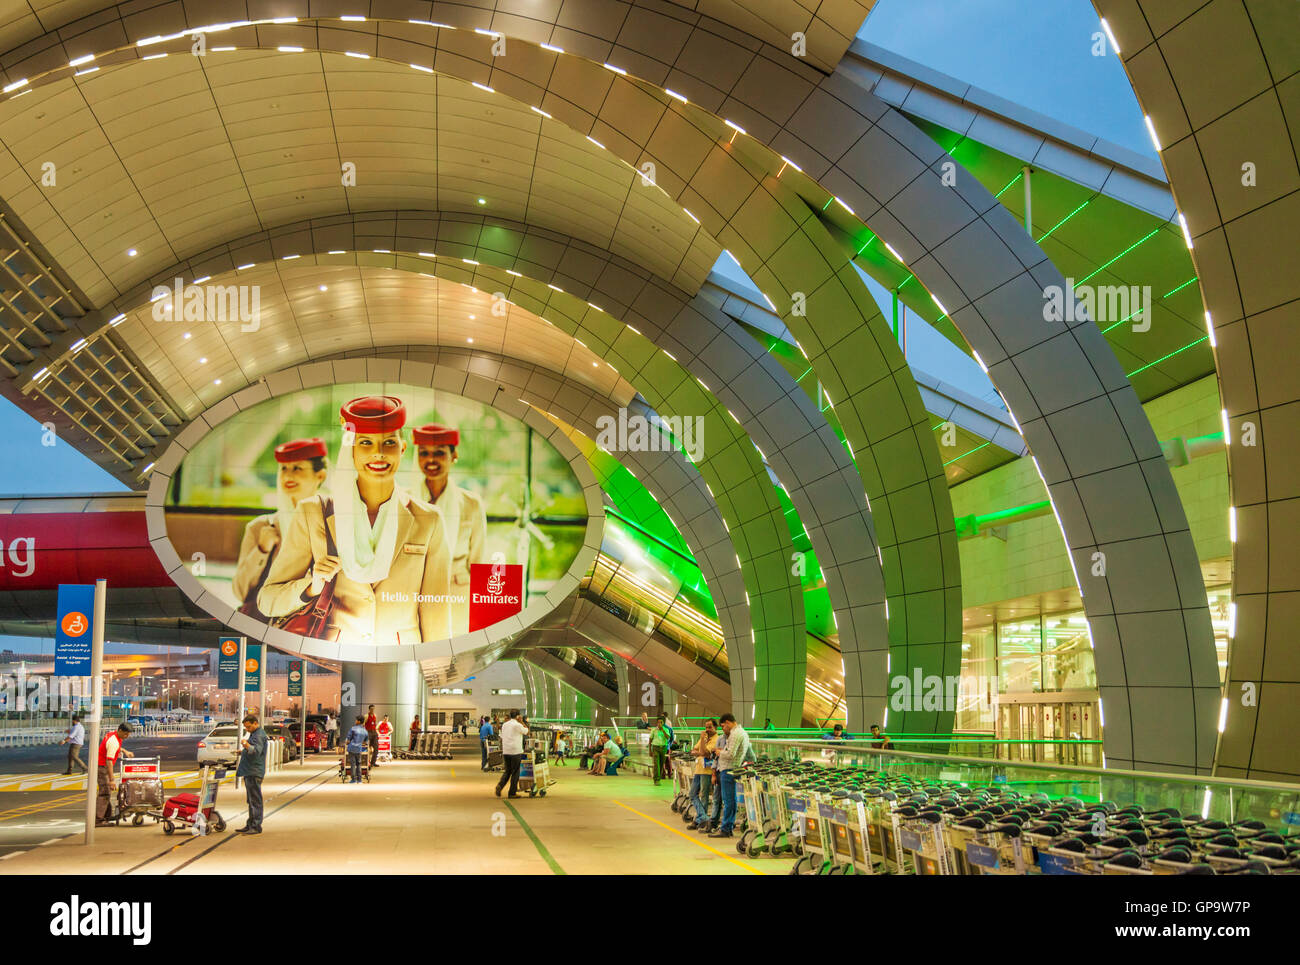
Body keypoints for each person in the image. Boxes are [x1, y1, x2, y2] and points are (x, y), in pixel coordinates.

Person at [259, 395, 453, 646]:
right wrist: (312, 587)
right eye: (365, 442)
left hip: (400, 660)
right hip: (332, 659)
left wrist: (435, 673)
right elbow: (268, 600)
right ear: (350, 448)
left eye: (389, 443)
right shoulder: (313, 513)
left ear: (403, 448)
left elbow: (435, 609)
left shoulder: (428, 520)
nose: (378, 454)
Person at [231, 438, 329, 616]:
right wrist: (262, 549)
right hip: (268, 621)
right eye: (284, 468)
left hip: (314, 624)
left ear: (320, 476)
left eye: (297, 468)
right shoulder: (260, 527)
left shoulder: (332, 525)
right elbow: (240, 592)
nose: (288, 476)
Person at [412, 423, 487, 636]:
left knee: (455, 660)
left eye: (439, 453)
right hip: (414, 592)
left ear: (454, 455)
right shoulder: (405, 500)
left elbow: (478, 562)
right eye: (424, 453)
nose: (431, 460)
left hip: (458, 595)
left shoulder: (471, 503)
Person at [710, 713, 752, 839]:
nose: (723, 729)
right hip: (732, 769)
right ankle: (728, 826)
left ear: (728, 722)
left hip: (728, 769)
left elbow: (730, 754)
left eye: (723, 726)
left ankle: (726, 828)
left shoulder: (735, 734)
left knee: (728, 801)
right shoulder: (742, 732)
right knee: (731, 800)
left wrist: (719, 752)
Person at [95, 723, 134, 824]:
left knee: (106, 792)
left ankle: (106, 817)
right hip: (102, 767)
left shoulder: (113, 735)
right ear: (120, 730)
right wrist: (112, 780)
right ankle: (98, 820)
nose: (127, 736)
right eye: (125, 734)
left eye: (128, 734)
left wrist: (125, 751)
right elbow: (109, 761)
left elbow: (116, 748)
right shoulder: (114, 741)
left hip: (101, 766)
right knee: (104, 793)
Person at [236, 713, 268, 834]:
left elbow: (255, 751)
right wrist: (242, 752)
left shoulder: (258, 735)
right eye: (246, 728)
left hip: (254, 771)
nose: (247, 729)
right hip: (251, 770)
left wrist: (246, 744)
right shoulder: (255, 734)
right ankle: (251, 824)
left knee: (255, 800)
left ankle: (256, 825)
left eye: (249, 727)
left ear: (255, 723)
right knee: (251, 800)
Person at [689, 719, 718, 831]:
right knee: (692, 794)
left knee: (704, 796)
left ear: (715, 728)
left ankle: (700, 821)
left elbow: (705, 753)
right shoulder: (706, 738)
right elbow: (694, 751)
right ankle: (704, 818)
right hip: (698, 770)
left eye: (710, 727)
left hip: (707, 771)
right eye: (706, 727)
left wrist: (701, 741)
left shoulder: (716, 739)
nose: (707, 730)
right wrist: (700, 750)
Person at [495, 710, 529, 798]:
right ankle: (512, 793)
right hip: (515, 751)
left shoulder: (505, 725)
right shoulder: (517, 725)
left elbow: (502, 736)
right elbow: (527, 731)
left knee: (507, 771)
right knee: (515, 772)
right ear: (518, 716)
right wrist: (521, 722)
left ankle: (500, 785)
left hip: (506, 751)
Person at [344, 715, 369, 783]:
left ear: (359, 721)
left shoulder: (353, 728)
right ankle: (360, 780)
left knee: (353, 764)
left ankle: (353, 779)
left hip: (352, 748)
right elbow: (366, 741)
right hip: (359, 749)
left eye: (356, 720)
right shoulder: (365, 731)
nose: (355, 721)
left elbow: (348, 740)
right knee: (359, 764)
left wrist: (346, 742)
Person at [648, 716, 670, 786]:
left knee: (661, 764)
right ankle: (656, 779)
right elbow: (650, 740)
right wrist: (650, 750)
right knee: (656, 764)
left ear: (663, 723)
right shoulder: (654, 730)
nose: (659, 724)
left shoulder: (666, 729)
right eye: (658, 722)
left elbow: (668, 737)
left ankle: (659, 778)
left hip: (663, 748)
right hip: (655, 748)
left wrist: (662, 730)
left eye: (661, 722)